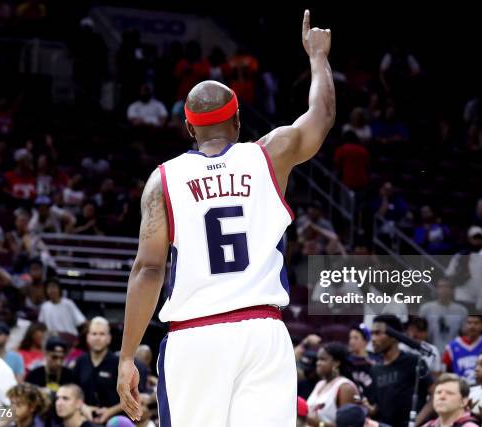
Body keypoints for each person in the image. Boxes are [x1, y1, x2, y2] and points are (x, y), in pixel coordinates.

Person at [117, 10, 335, 427]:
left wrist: (128, 355)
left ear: (188, 128)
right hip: (263, 332)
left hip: (195, 337)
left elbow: (148, 269)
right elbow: (321, 117)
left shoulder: (163, 181)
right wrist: (318, 58)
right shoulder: (269, 154)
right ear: (238, 120)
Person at [363, 315, 433, 427]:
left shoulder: (413, 361)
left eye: (378, 333)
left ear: (394, 336)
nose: (373, 338)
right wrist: (370, 409)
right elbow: (378, 407)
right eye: (372, 334)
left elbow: (434, 394)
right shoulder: (375, 369)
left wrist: (415, 423)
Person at [74, 317, 145, 425]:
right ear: (88, 337)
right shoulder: (80, 362)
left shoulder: (119, 363)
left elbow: (131, 395)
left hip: (117, 421)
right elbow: (73, 390)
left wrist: (109, 412)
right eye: (94, 334)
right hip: (85, 420)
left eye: (102, 334)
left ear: (109, 338)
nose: (97, 338)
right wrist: (84, 407)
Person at [306, 342, 359, 427]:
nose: (317, 363)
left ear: (336, 363)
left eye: (322, 359)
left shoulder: (345, 387)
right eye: (318, 359)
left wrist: (319, 424)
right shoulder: (320, 384)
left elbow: (349, 426)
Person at [419, 278, 468, 355]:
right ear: (436, 289)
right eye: (440, 287)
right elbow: (420, 332)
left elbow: (465, 334)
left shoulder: (461, 310)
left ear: (452, 290)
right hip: (431, 351)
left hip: (454, 352)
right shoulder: (426, 309)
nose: (443, 290)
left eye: (446, 287)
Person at [443, 315, 482, 385]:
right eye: (469, 323)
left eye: (476, 323)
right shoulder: (451, 347)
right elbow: (444, 373)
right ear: (464, 325)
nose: (472, 326)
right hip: (460, 389)